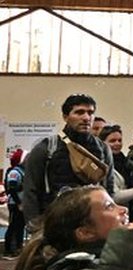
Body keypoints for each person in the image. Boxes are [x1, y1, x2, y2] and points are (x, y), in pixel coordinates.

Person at [21, 94, 117, 229]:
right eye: (79, 112)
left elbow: (109, 188)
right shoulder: (47, 148)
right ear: (65, 117)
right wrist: (34, 225)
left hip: (92, 223)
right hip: (55, 222)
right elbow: (31, 189)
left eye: (90, 113)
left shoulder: (102, 149)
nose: (86, 118)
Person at [100, 125, 133, 218]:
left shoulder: (127, 161)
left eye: (119, 140)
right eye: (112, 141)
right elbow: (113, 196)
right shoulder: (102, 165)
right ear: (102, 143)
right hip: (115, 215)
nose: (117, 143)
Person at [4, 149, 26, 256]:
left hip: (21, 203)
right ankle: (8, 250)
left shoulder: (23, 171)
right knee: (13, 226)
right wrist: (18, 203)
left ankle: (18, 247)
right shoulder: (14, 172)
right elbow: (12, 190)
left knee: (20, 226)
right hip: (15, 204)